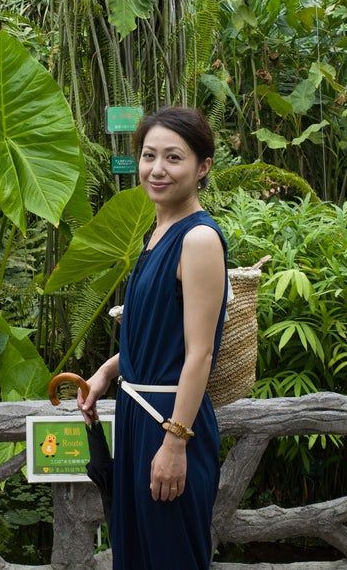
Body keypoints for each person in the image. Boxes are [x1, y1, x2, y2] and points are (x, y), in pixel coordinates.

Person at [77, 106, 228, 570]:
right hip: (139, 420)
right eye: (148, 155)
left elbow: (200, 353)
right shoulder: (156, 232)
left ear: (202, 167)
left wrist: (176, 442)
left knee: (170, 556)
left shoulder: (198, 239)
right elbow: (159, 333)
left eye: (173, 158)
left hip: (169, 423)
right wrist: (107, 371)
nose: (157, 169)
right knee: (138, 554)